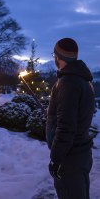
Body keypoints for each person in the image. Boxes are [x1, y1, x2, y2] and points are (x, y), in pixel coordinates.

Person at [46, 38, 95, 199]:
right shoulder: (82, 80)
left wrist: (56, 159)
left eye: (55, 54)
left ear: (59, 57)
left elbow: (67, 127)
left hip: (70, 157)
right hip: (80, 153)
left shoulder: (68, 83)